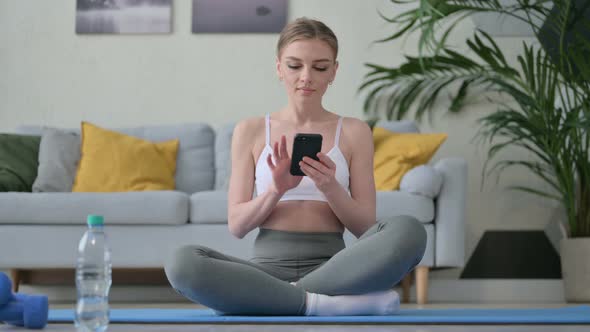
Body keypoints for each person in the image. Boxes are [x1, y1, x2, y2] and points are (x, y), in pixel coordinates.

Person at [165, 17, 427, 316]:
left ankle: (282, 299)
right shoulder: (250, 130)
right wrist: (275, 191)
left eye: (320, 67)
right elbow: (237, 225)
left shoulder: (355, 131)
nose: (307, 77)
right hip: (263, 271)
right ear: (279, 68)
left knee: (409, 230)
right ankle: (320, 303)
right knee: (182, 262)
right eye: (294, 66)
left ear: (334, 72)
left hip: (338, 269)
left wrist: (330, 186)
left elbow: (365, 227)